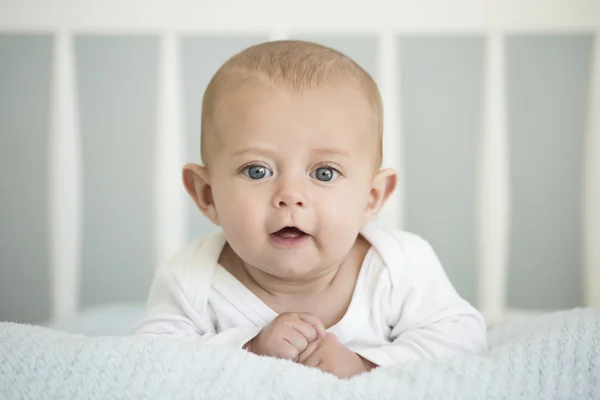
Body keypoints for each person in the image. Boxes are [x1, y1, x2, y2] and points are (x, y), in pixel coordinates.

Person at [134, 40, 487, 379]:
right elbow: (152, 360)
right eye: (257, 171)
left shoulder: (398, 266)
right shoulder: (191, 279)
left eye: (324, 173)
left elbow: (462, 339)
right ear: (207, 195)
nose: (290, 196)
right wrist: (249, 348)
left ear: (371, 198)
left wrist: (364, 365)